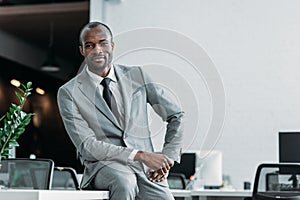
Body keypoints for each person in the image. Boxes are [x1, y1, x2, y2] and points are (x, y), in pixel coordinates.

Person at [57, 21, 184, 200]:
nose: (97, 50)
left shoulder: (137, 76)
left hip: (146, 169)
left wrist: (168, 157)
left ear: (112, 46)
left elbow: (175, 115)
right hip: (104, 166)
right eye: (89, 45)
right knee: (125, 181)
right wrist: (141, 156)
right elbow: (87, 146)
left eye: (103, 43)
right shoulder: (68, 92)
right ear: (82, 51)